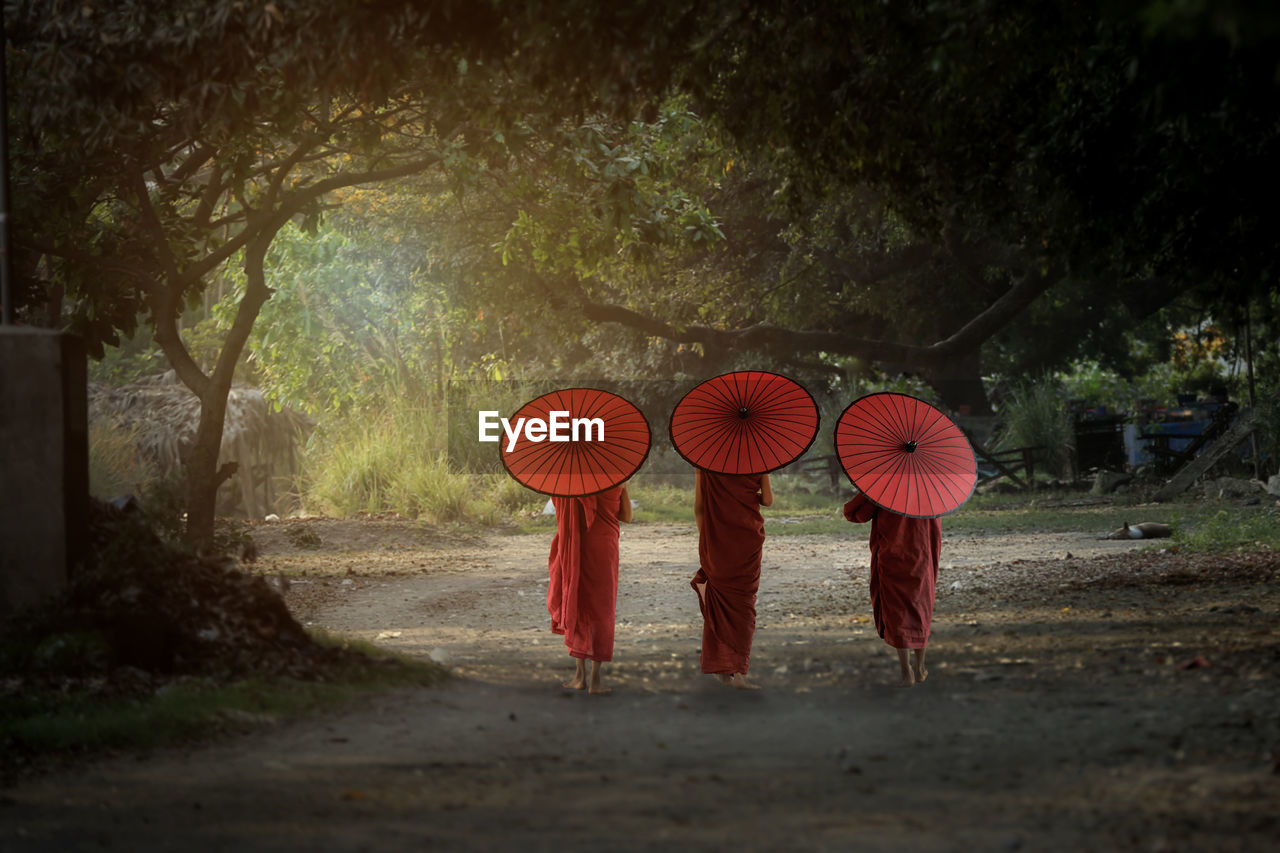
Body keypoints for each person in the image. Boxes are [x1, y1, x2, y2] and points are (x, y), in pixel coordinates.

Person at [843, 491, 941, 687]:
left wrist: (869, 493)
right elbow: (935, 533)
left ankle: (906, 672)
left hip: (893, 556)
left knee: (897, 612)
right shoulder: (932, 490)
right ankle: (920, 667)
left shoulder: (885, 487)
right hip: (922, 556)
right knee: (920, 607)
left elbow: (855, 514)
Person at [691, 469, 773, 690]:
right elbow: (767, 500)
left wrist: (708, 537)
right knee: (744, 606)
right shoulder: (757, 463)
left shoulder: (705, 465)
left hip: (716, 544)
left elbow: (699, 507)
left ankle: (722, 670)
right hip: (747, 542)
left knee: (719, 602)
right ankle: (738, 672)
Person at [547, 483, 632, 694]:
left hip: (576, 546)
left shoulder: (565, 483)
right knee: (602, 609)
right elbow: (627, 516)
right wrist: (625, 487)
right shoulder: (614, 480)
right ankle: (596, 680)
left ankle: (579, 677)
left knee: (577, 600)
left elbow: (562, 516)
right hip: (604, 548)